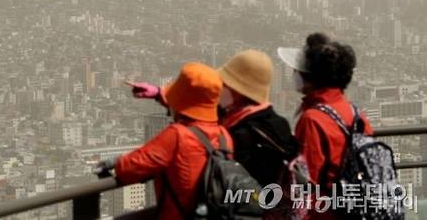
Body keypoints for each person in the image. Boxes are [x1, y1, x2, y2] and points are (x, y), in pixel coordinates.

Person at [130, 50, 298, 188]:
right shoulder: (273, 122)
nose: (220, 87)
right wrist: (160, 93)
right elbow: (203, 108)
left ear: (238, 91)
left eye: (225, 84)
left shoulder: (242, 134)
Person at [97, 62, 233, 219]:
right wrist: (158, 94)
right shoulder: (224, 136)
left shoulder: (177, 135)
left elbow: (133, 167)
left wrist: (113, 163)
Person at [278, 33, 373, 219]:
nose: (295, 74)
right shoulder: (356, 115)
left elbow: (307, 182)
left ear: (312, 78)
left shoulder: (313, 119)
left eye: (299, 71)